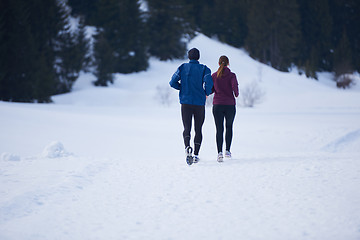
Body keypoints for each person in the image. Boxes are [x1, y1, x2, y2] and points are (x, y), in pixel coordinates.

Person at [169, 48, 213, 165]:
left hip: (185, 102)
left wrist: (182, 88)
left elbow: (172, 82)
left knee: (186, 128)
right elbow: (209, 82)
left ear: (189, 57)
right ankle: (196, 154)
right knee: (198, 129)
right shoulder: (205, 69)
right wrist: (206, 92)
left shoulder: (182, 67)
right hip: (199, 103)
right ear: (198, 57)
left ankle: (187, 147)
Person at [211, 55, 239, 162]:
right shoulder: (232, 75)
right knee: (229, 127)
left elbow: (211, 90)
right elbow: (235, 89)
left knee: (219, 129)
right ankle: (227, 150)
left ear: (219, 64)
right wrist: (236, 93)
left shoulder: (214, 76)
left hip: (217, 104)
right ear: (228, 64)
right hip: (230, 105)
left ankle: (219, 153)